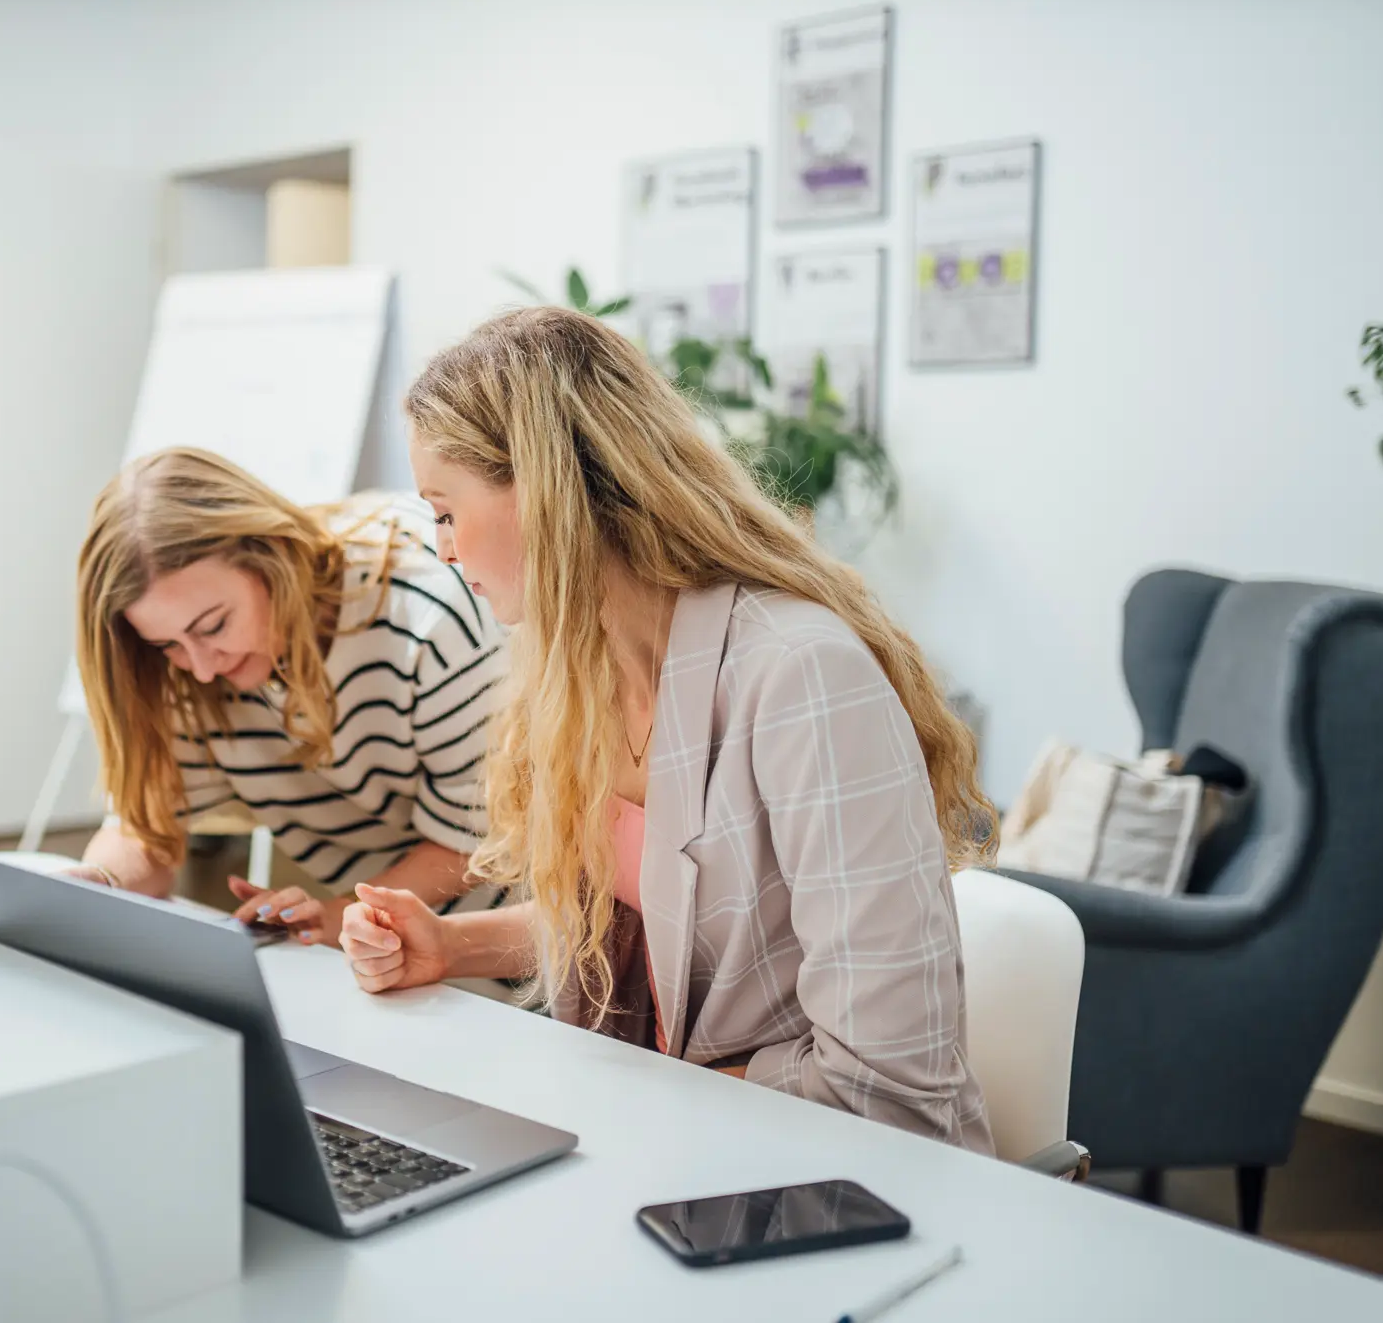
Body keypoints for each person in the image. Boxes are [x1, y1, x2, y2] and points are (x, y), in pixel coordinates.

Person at [338, 308, 996, 1151]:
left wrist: (637, 1111)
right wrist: (448, 946)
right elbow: (651, 920)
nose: (444, 549)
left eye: (444, 510)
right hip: (670, 1144)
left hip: (834, 1175)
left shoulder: (801, 676)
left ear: (545, 490)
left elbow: (886, 1085)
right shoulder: (577, 668)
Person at [71, 447, 505, 942]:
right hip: (390, 943)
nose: (204, 668)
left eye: (214, 625)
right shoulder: (185, 668)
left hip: (524, 943)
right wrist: (97, 884)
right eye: (167, 644)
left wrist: (340, 914)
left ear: (268, 556)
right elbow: (145, 833)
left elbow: (473, 840)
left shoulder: (429, 613)